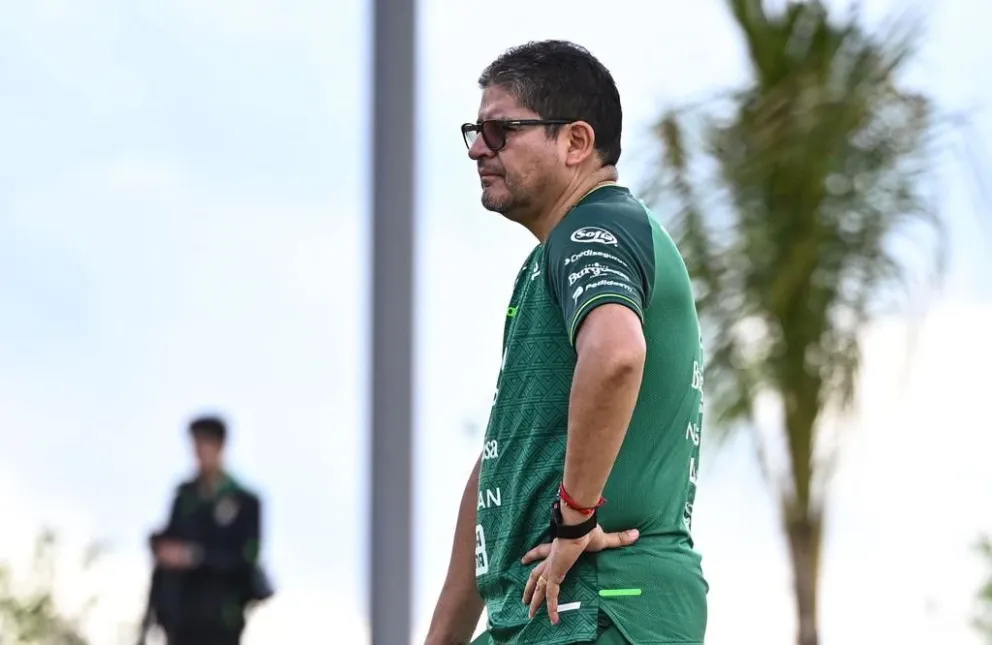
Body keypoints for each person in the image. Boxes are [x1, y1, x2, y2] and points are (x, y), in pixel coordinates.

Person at [425, 40, 708, 645]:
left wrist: (575, 519)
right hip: (548, 613)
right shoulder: (553, 256)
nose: (477, 148)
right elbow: (503, 459)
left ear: (576, 142)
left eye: (501, 130)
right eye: (475, 131)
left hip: (601, 607)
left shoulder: (593, 227)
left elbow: (616, 354)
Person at [144, 415, 264, 645]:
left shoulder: (245, 502)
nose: (199, 452)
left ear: (220, 446)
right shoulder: (184, 496)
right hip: (181, 616)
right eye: (196, 444)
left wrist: (195, 557)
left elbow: (246, 558)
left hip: (221, 618)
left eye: (205, 444)